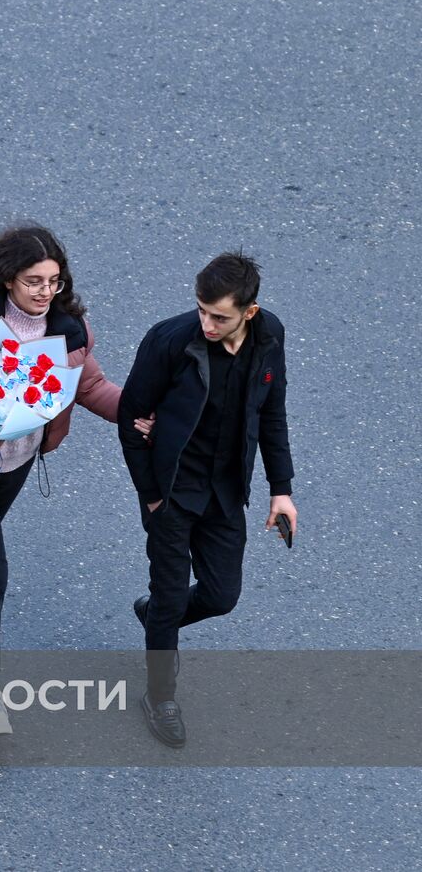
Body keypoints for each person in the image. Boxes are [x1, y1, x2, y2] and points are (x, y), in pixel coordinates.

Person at [0, 223, 152, 735]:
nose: (45, 292)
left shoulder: (69, 331)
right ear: (7, 280)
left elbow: (91, 386)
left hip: (16, 461)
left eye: (53, 281)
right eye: (33, 281)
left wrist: (138, 414)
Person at [117, 252, 297, 748]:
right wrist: (152, 498)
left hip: (225, 490)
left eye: (219, 316)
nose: (207, 324)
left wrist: (281, 490)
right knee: (171, 594)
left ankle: (157, 617)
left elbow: (273, 413)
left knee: (221, 596)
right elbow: (130, 419)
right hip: (173, 491)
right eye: (201, 310)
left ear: (249, 312)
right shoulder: (169, 340)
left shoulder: (269, 335)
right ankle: (160, 697)